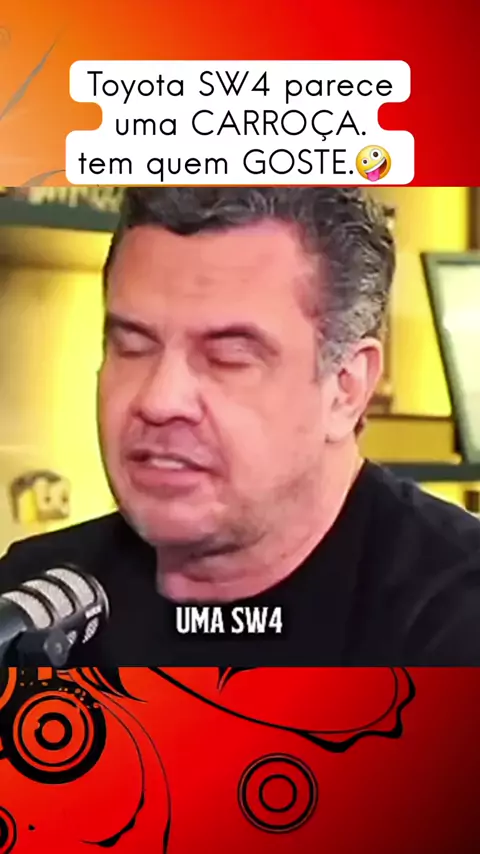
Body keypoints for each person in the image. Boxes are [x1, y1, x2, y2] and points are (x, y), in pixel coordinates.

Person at [1, 186, 480, 667]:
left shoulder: (454, 620)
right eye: (133, 346)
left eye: (228, 357)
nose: (159, 400)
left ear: (346, 387)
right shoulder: (31, 605)